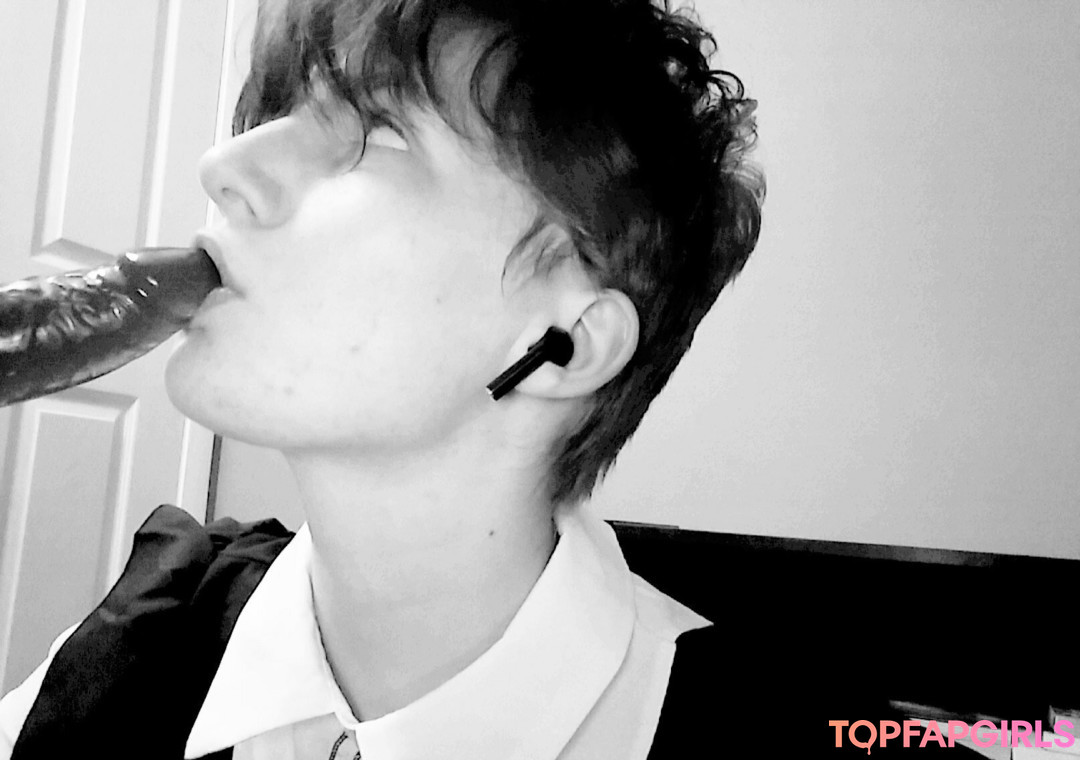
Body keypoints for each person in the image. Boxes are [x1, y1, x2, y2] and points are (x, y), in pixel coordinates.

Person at [0, 0, 764, 757]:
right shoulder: (128, 646)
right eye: (281, 114)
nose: (224, 167)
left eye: (381, 130)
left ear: (566, 345)